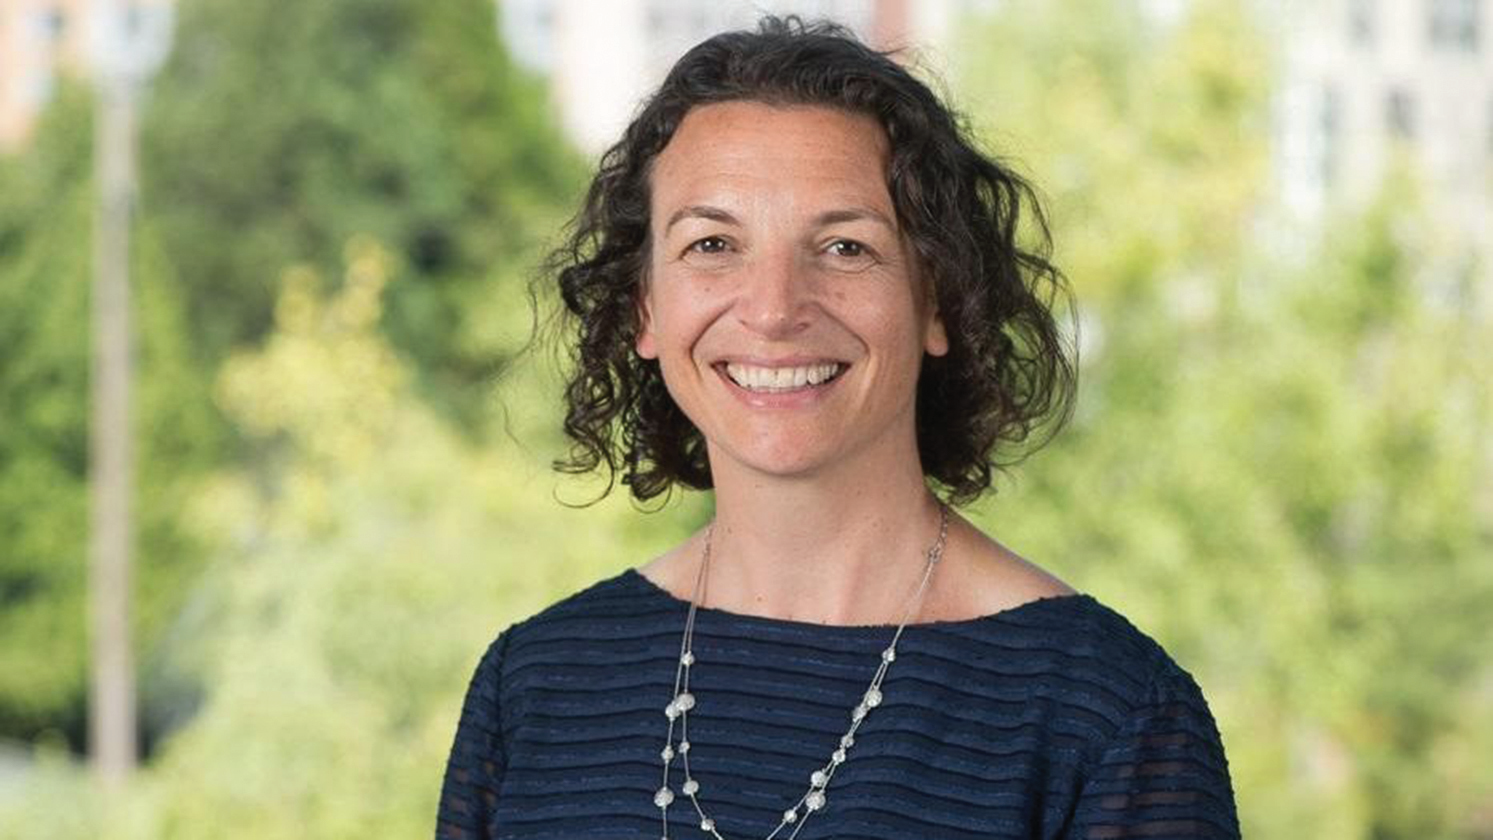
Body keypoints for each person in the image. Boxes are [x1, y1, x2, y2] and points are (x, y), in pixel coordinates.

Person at [437, 16, 1240, 840]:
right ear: (644, 306)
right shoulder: (533, 685)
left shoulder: (1105, 714)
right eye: (712, 243)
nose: (774, 308)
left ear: (937, 298)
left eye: (845, 247)